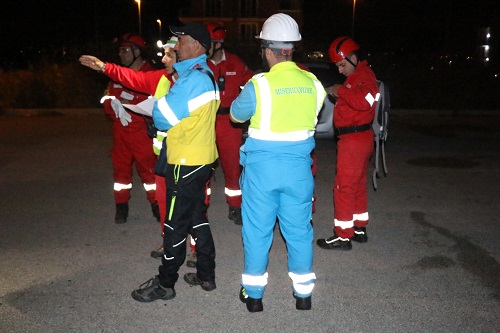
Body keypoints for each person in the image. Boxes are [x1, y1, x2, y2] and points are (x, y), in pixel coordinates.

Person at [230, 13, 326, 312]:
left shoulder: (259, 85)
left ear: (268, 50)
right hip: (299, 171)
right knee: (299, 231)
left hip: (262, 172)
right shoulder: (313, 83)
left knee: (257, 232)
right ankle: (303, 295)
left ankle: (254, 296)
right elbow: (316, 116)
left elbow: (235, 115)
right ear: (291, 48)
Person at [79, 36, 198, 266]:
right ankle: (170, 242)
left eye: (169, 55)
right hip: (166, 150)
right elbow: (132, 78)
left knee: (190, 204)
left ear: (182, 56)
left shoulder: (196, 79)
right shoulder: (161, 78)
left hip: (191, 151)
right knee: (164, 200)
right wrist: (105, 67)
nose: (163, 60)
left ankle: (195, 250)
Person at [130, 23, 220, 302]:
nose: (176, 45)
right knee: (196, 219)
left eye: (181, 40)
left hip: (184, 162)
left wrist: (159, 103)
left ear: (196, 45)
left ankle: (165, 283)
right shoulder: (205, 74)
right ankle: (206, 274)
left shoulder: (191, 79)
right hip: (201, 159)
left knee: (174, 225)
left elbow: (161, 117)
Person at [316, 36, 380, 250]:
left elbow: (365, 101)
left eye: (342, 65)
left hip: (354, 140)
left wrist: (339, 90)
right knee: (357, 185)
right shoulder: (358, 77)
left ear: (353, 58)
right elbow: (356, 100)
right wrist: (341, 94)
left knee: (343, 186)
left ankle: (342, 235)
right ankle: (358, 227)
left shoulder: (364, 76)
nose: (340, 70)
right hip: (358, 138)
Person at [98, 33, 160, 224]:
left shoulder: (150, 75)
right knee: (120, 174)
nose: (121, 54)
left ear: (137, 52)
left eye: (125, 50)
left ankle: (157, 206)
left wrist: (130, 103)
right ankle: (121, 207)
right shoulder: (117, 75)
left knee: (150, 173)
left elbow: (156, 104)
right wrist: (113, 105)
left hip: (142, 133)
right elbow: (107, 99)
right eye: (120, 50)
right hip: (121, 132)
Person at [206, 23, 254, 225]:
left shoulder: (235, 63)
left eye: (205, 43)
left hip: (229, 123)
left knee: (233, 167)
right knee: (202, 166)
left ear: (217, 45)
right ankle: (200, 206)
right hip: (206, 121)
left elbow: (253, 84)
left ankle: (235, 206)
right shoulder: (201, 65)